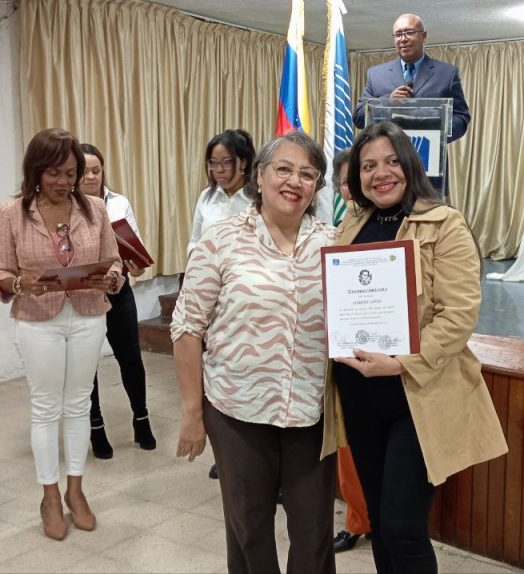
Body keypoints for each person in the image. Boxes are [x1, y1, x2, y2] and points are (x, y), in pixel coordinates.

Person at [325, 121, 507, 573]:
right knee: (381, 521)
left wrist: (401, 363)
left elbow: (458, 314)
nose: (380, 173)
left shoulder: (445, 224)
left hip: (417, 395)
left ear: (410, 164)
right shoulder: (351, 223)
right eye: (368, 166)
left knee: (403, 526)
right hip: (359, 392)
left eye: (391, 161)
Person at [172, 131, 337, 573]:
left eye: (308, 174)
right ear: (259, 176)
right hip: (236, 412)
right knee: (249, 531)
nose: (295, 181)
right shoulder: (220, 240)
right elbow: (187, 327)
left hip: (311, 413)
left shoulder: (335, 244)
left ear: (317, 187)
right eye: (284, 169)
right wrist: (192, 413)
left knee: (314, 533)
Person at [0, 128, 124, 541]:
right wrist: (19, 284)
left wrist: (113, 278)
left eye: (71, 173)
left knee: (79, 404)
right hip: (37, 318)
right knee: (47, 407)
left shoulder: (95, 209)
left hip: (87, 314)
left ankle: (75, 490)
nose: (64, 181)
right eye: (54, 173)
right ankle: (49, 495)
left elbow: (113, 260)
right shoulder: (11, 212)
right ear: (35, 170)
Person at [187, 128, 256, 480]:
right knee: (215, 371)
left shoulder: (257, 199)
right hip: (209, 295)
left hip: (244, 297)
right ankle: (224, 451)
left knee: (245, 367)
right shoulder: (207, 197)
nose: (218, 170)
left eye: (224, 162)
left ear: (243, 162)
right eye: (212, 164)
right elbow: (195, 241)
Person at [79, 143, 155, 459]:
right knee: (86, 364)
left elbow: (133, 246)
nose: (91, 176)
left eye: (96, 170)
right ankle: (96, 427)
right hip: (84, 294)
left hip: (118, 289)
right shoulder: (68, 207)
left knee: (131, 358)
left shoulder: (119, 202)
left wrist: (135, 263)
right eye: (84, 171)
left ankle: (141, 418)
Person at [327, 149, 372, 554]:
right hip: (348, 356)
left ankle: (374, 518)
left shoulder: (401, 224)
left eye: (354, 179)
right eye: (343, 182)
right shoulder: (336, 231)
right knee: (349, 450)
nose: (350, 188)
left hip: (393, 361)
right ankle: (357, 520)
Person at [353, 14, 470, 144]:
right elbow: (358, 118)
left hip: (428, 151)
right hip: (387, 151)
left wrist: (435, 135)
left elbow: (461, 117)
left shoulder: (447, 73)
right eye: (398, 34)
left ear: (424, 36)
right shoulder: (376, 74)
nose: (403, 39)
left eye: (409, 32)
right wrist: (387, 102)